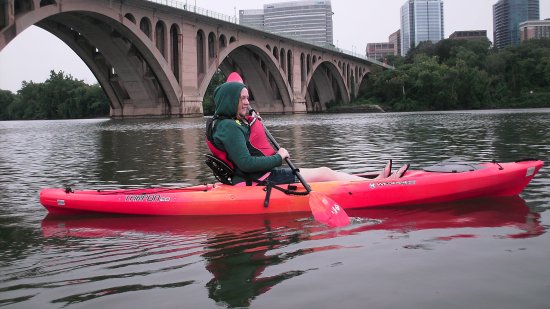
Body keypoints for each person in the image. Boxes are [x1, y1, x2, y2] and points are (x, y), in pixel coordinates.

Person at [207, 77, 366, 185]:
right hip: (259, 178)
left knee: (324, 173)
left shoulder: (223, 123)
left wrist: (252, 121)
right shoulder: (229, 127)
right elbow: (246, 164)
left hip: (253, 176)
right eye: (242, 98)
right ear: (230, 100)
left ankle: (366, 181)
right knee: (324, 173)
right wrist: (279, 157)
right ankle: (372, 184)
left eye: (247, 98)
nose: (247, 103)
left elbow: (242, 145)